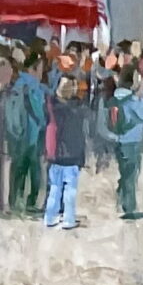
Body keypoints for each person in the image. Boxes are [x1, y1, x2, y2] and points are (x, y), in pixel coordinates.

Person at [42, 75, 91, 229]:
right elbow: (79, 137)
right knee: (70, 190)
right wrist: (82, 158)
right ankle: (68, 219)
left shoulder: (52, 108)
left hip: (55, 156)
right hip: (72, 156)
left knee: (54, 188)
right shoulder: (76, 111)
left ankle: (50, 217)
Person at [4, 52, 48, 216]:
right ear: (32, 69)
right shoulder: (34, 87)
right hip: (32, 136)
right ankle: (29, 203)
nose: (41, 73)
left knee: (18, 170)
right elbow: (39, 112)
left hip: (17, 134)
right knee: (33, 171)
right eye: (40, 69)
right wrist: (44, 122)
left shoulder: (16, 85)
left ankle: (15, 201)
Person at [109, 61, 143, 220]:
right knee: (131, 174)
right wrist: (142, 93)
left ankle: (121, 199)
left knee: (125, 172)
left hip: (118, 139)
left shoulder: (116, 95)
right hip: (132, 141)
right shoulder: (134, 98)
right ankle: (129, 208)